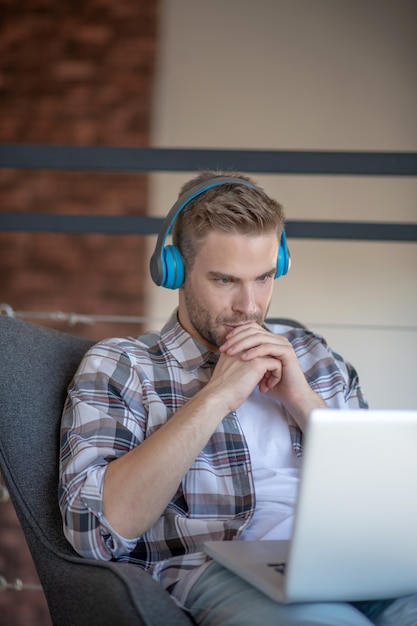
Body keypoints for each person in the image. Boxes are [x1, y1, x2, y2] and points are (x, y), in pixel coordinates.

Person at [59, 171, 416, 625]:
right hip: (220, 568)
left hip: (356, 556)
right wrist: (216, 397)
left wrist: (302, 399)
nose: (249, 305)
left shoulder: (314, 355)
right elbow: (94, 532)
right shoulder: (123, 366)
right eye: (226, 280)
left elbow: (388, 500)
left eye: (264, 277)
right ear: (175, 271)